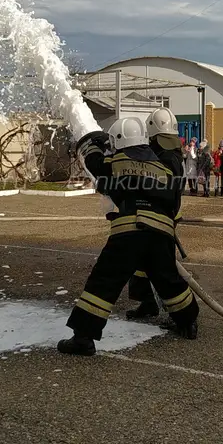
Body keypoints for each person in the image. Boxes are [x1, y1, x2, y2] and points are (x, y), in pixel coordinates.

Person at [58, 117, 199, 356]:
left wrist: (91, 143)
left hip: (129, 231)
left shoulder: (115, 160)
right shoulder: (162, 166)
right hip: (161, 232)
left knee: (104, 281)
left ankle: (83, 337)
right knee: (169, 280)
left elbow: (94, 164)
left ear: (117, 141)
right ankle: (188, 322)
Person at [126, 107, 185, 320]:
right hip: (158, 214)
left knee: (164, 270)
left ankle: (180, 316)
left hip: (160, 216)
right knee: (142, 263)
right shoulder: (173, 153)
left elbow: (157, 185)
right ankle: (148, 303)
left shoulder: (165, 157)